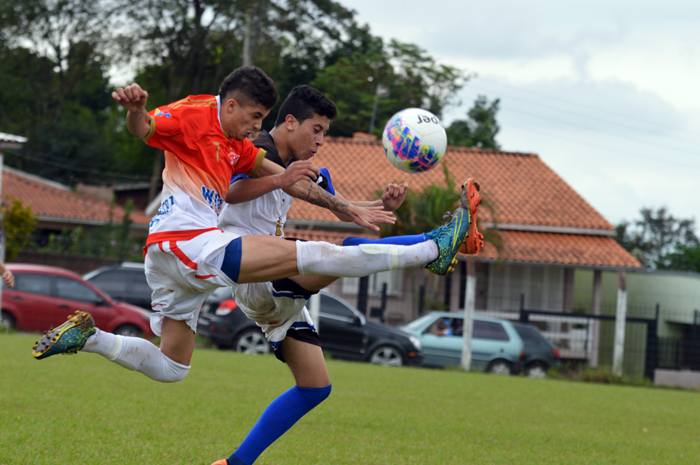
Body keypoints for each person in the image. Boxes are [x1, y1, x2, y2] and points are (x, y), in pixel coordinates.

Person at [31, 66, 473, 397]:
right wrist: (135, 110)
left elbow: (283, 175)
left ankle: (91, 338)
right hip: (192, 244)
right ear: (230, 105)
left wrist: (354, 206)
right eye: (255, 117)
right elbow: (143, 129)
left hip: (170, 259)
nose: (258, 128)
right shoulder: (192, 114)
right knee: (324, 255)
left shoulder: (240, 146)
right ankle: (433, 248)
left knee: (172, 368)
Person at [210, 85, 483, 465]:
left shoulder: (309, 169)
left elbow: (341, 208)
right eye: (317, 129)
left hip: (267, 284)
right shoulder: (260, 151)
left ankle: (234, 463)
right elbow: (231, 191)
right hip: (254, 269)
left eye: (325, 132)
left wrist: (378, 205)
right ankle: (437, 244)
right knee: (347, 249)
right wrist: (283, 179)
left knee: (314, 387)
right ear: (290, 122)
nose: (321, 140)